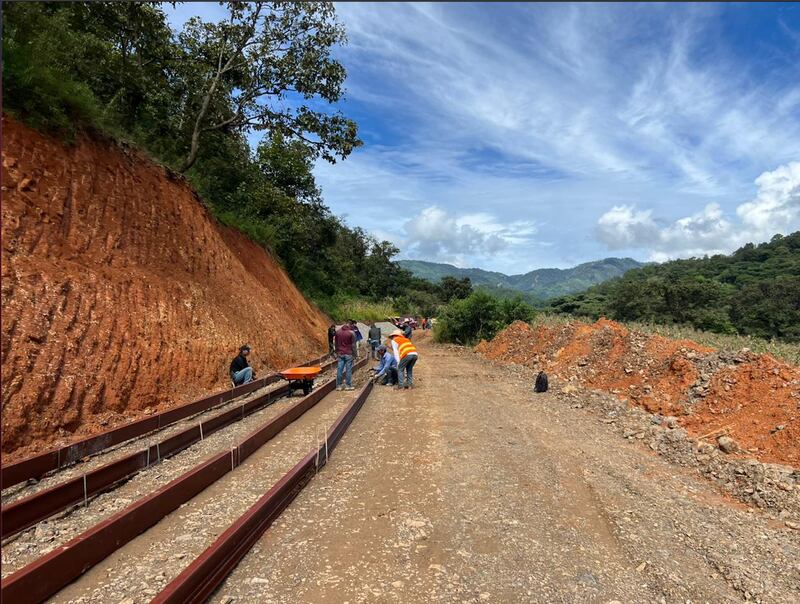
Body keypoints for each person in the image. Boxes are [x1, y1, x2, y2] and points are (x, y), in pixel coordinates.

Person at [334, 323, 355, 391]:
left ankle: (338, 386)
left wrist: (336, 352)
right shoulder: (351, 333)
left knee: (340, 369)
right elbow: (353, 345)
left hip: (340, 353)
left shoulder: (337, 332)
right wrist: (355, 354)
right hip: (349, 353)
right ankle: (347, 385)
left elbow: (336, 343)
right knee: (348, 369)